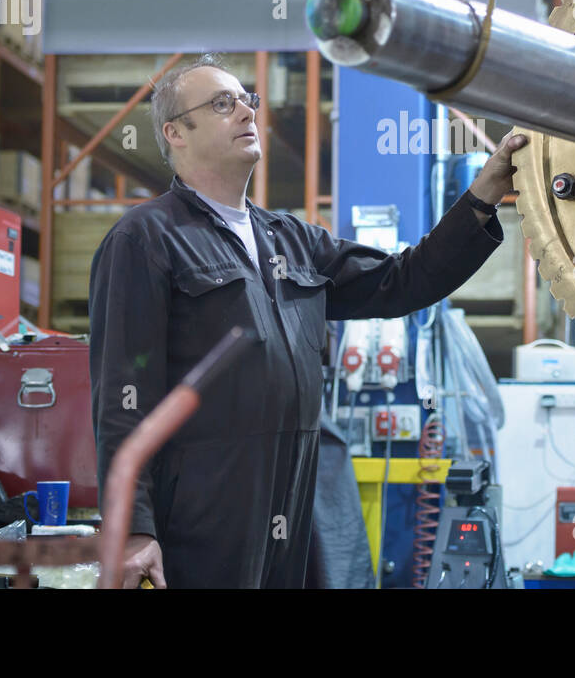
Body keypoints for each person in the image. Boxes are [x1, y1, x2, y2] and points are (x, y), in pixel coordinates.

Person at [88, 53, 527, 587]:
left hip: (295, 494)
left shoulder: (291, 239)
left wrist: (484, 195)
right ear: (176, 132)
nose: (247, 113)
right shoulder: (146, 239)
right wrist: (133, 526)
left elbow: (406, 280)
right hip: (205, 503)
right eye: (222, 104)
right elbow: (121, 398)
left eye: (247, 101)